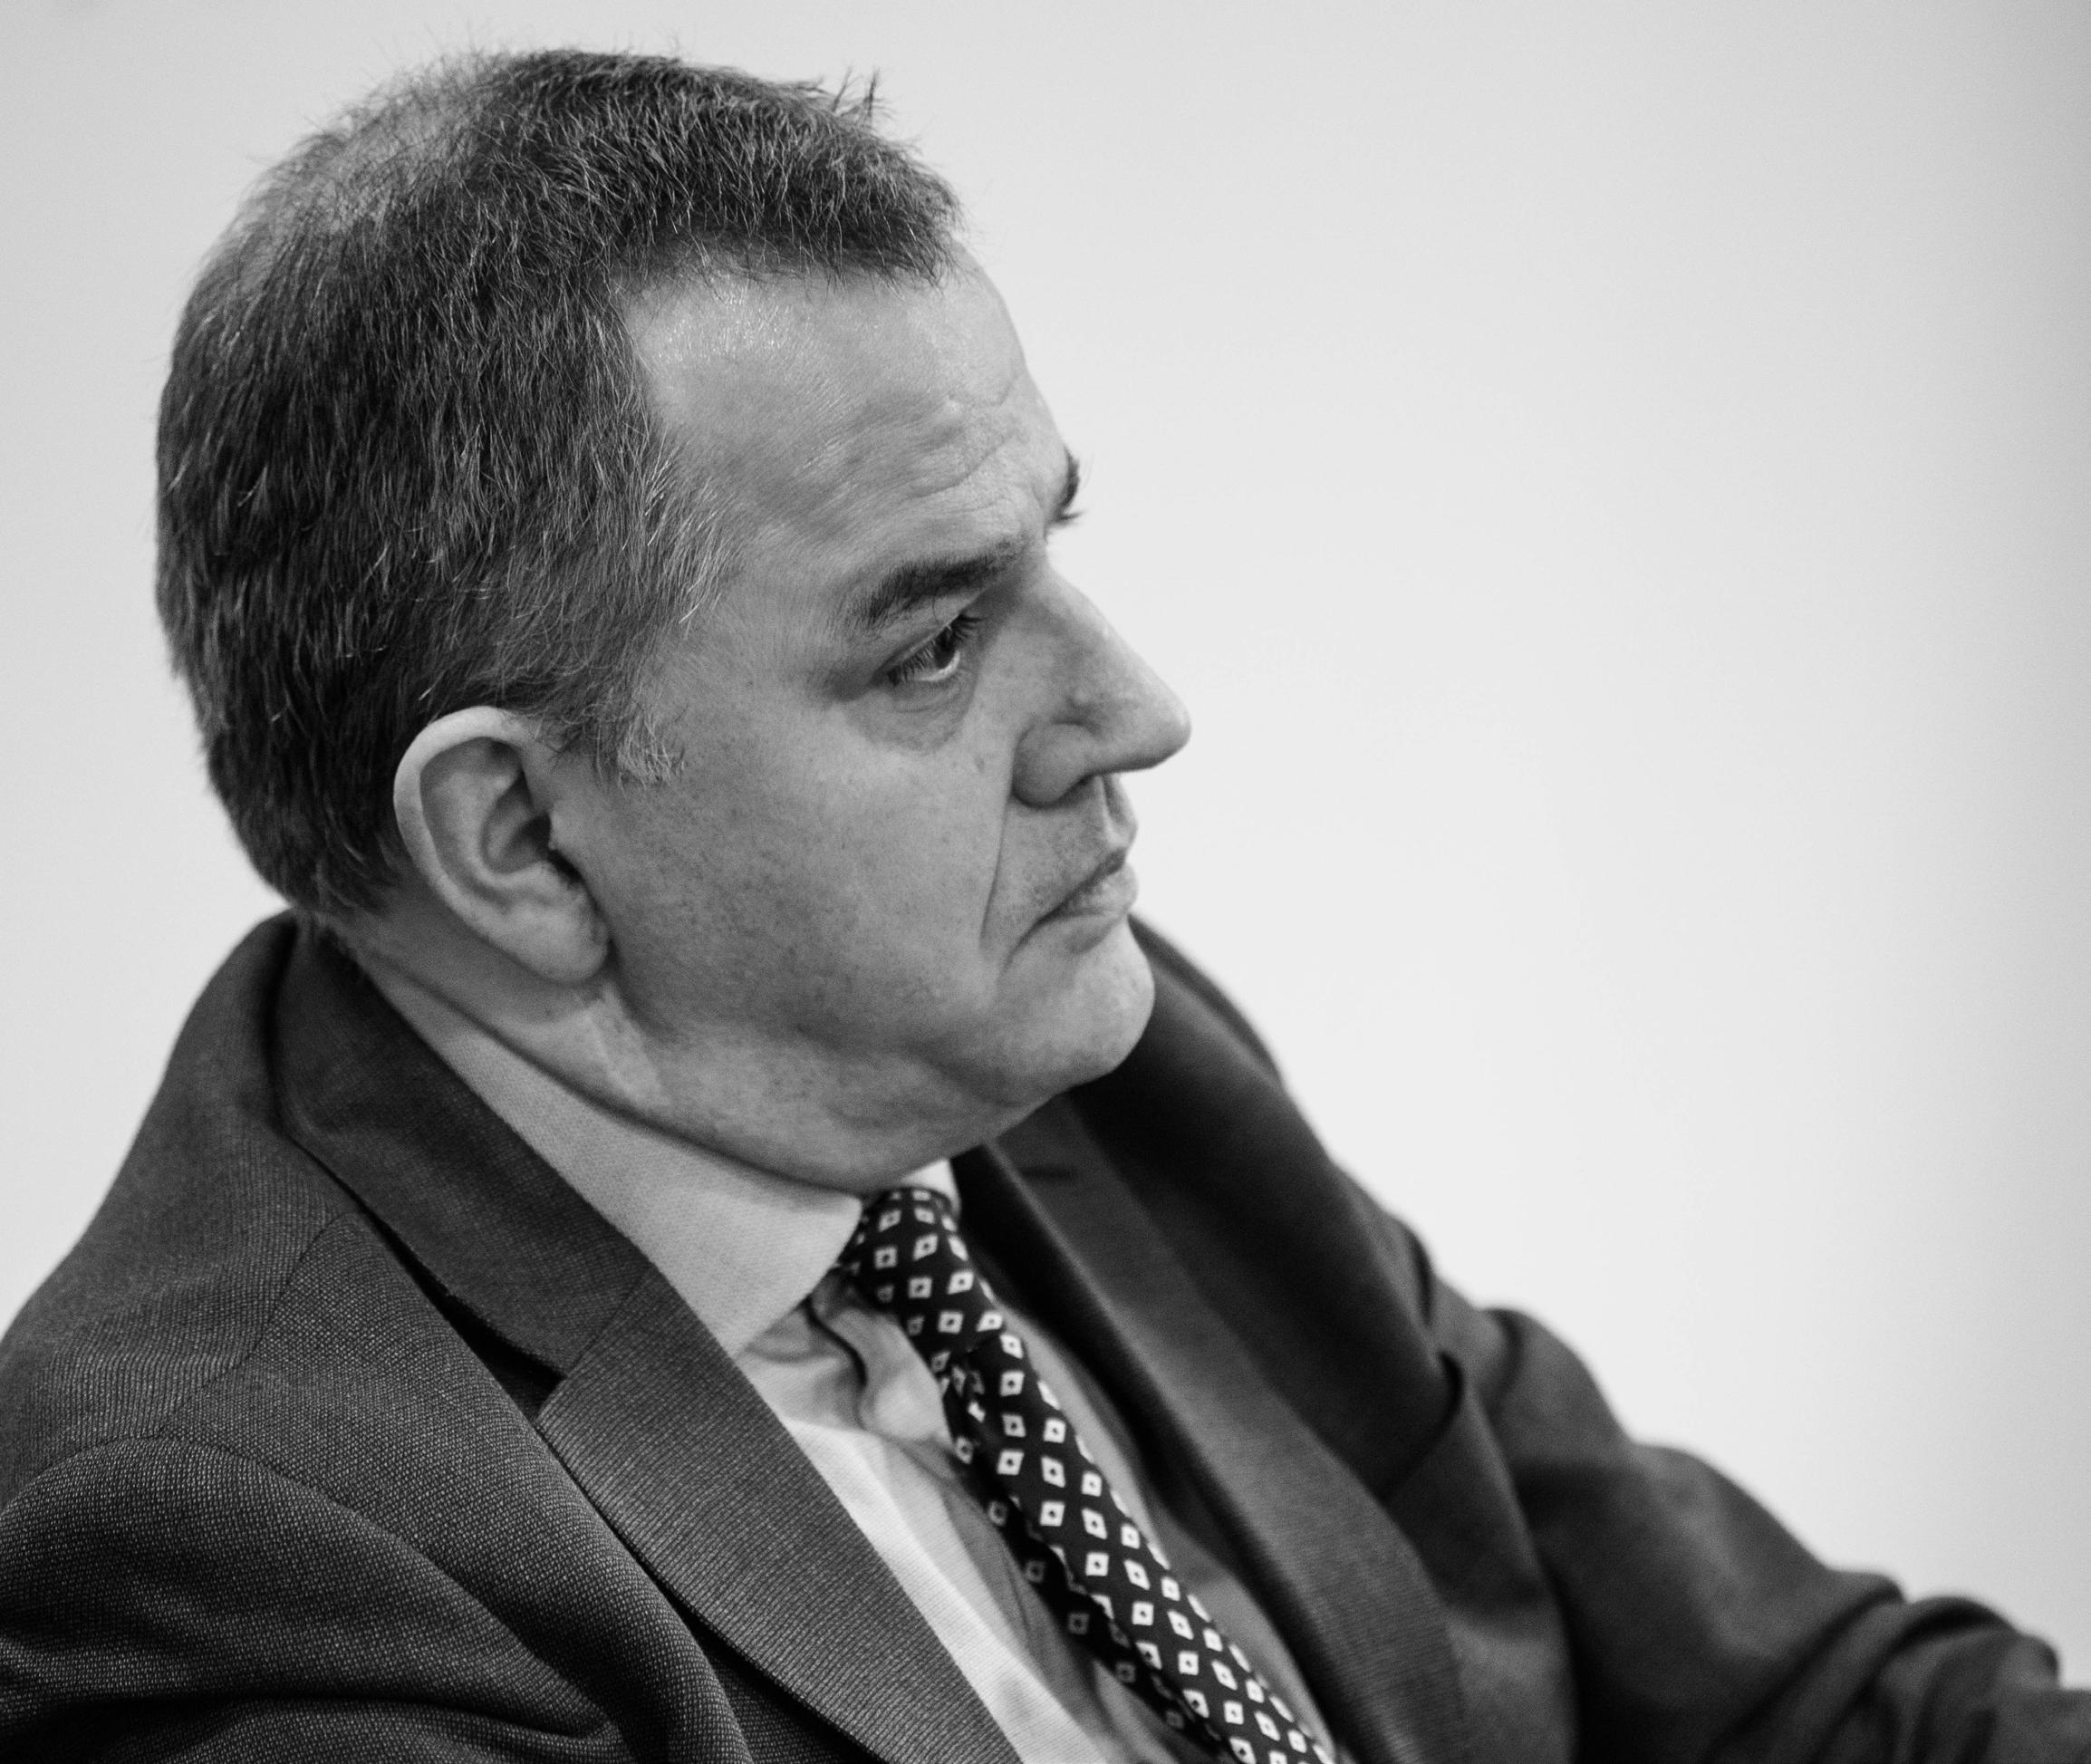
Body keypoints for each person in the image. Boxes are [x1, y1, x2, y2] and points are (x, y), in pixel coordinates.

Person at [0, 47, 2082, 1764]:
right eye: (931, 641)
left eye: (1050, 554)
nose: (1135, 712)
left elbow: (1797, 1695)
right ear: (523, 841)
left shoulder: (1087, 1057)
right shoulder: (228, 1549)